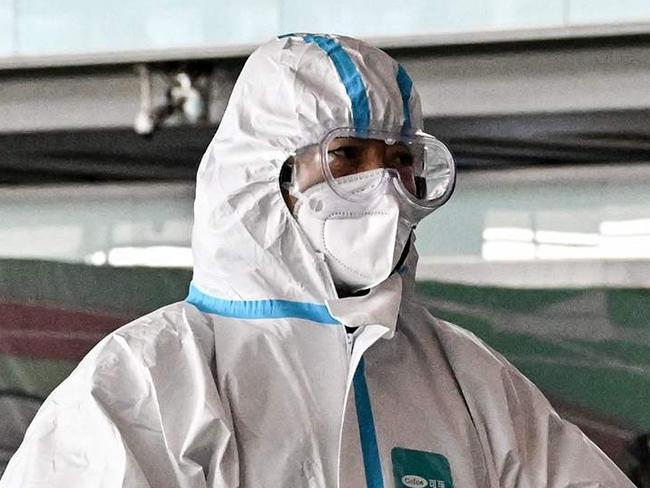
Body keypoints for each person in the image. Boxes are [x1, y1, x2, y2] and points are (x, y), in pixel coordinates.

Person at [0, 33, 634, 488]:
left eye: (400, 162)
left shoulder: (470, 383)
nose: (386, 192)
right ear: (260, 181)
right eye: (349, 161)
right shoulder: (149, 381)